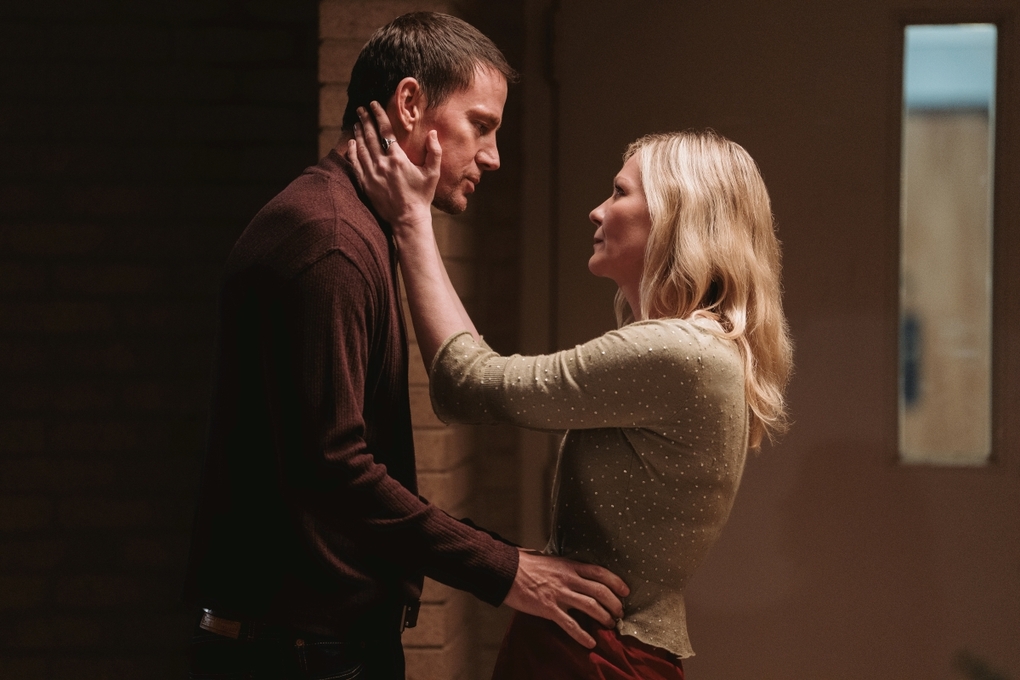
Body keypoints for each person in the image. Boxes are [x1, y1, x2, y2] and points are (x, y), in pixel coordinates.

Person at [182, 12, 627, 680]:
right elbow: (335, 467)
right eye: (481, 125)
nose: (493, 156)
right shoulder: (331, 238)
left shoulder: (352, 224)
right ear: (411, 103)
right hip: (298, 654)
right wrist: (508, 570)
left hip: (311, 646)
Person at [350, 109, 793, 678]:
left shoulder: (678, 351)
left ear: (677, 216)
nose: (597, 210)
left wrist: (412, 221)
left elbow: (466, 384)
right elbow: (475, 375)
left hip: (591, 653)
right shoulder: (703, 349)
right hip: (600, 645)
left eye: (620, 192)